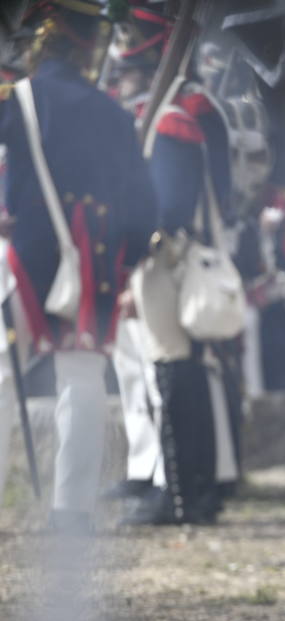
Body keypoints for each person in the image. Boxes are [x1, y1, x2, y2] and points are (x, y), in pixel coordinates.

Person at [0, 0, 156, 531]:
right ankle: (72, 511)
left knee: (1, 376)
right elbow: (144, 208)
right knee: (84, 378)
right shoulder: (115, 112)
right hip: (98, 263)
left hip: (27, 256)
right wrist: (127, 261)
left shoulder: (15, 100)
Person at [118, 0, 237, 525]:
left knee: (174, 376)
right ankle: (191, 490)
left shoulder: (168, 122)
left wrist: (129, 260)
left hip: (167, 265)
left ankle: (183, 494)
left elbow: (166, 212)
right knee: (179, 375)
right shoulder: (179, 112)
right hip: (175, 261)